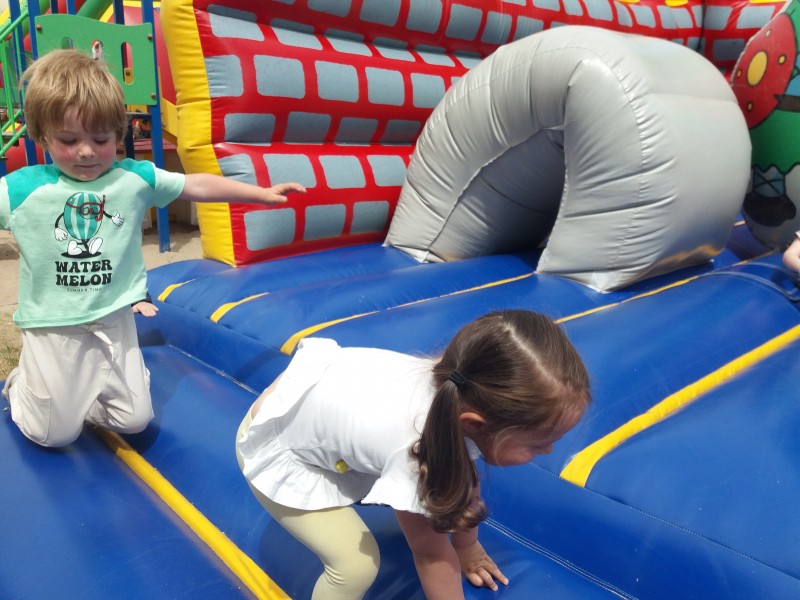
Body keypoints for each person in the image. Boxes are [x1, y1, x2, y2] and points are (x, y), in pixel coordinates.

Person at [0, 49, 305, 447]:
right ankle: (23, 384)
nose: (87, 151)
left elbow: (196, 184)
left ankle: (79, 393)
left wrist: (259, 193)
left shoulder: (132, 179)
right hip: (54, 325)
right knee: (53, 435)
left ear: (118, 134)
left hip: (113, 318)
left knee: (133, 419)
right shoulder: (22, 189)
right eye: (69, 140)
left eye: (100, 139)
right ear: (43, 137)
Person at [236, 309, 591, 599]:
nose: (548, 450)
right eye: (537, 444)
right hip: (278, 443)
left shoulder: (460, 386)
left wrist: (467, 547)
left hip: (312, 402)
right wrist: (453, 553)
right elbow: (430, 554)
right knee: (355, 568)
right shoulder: (417, 451)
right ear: (475, 423)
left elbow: (464, 480)